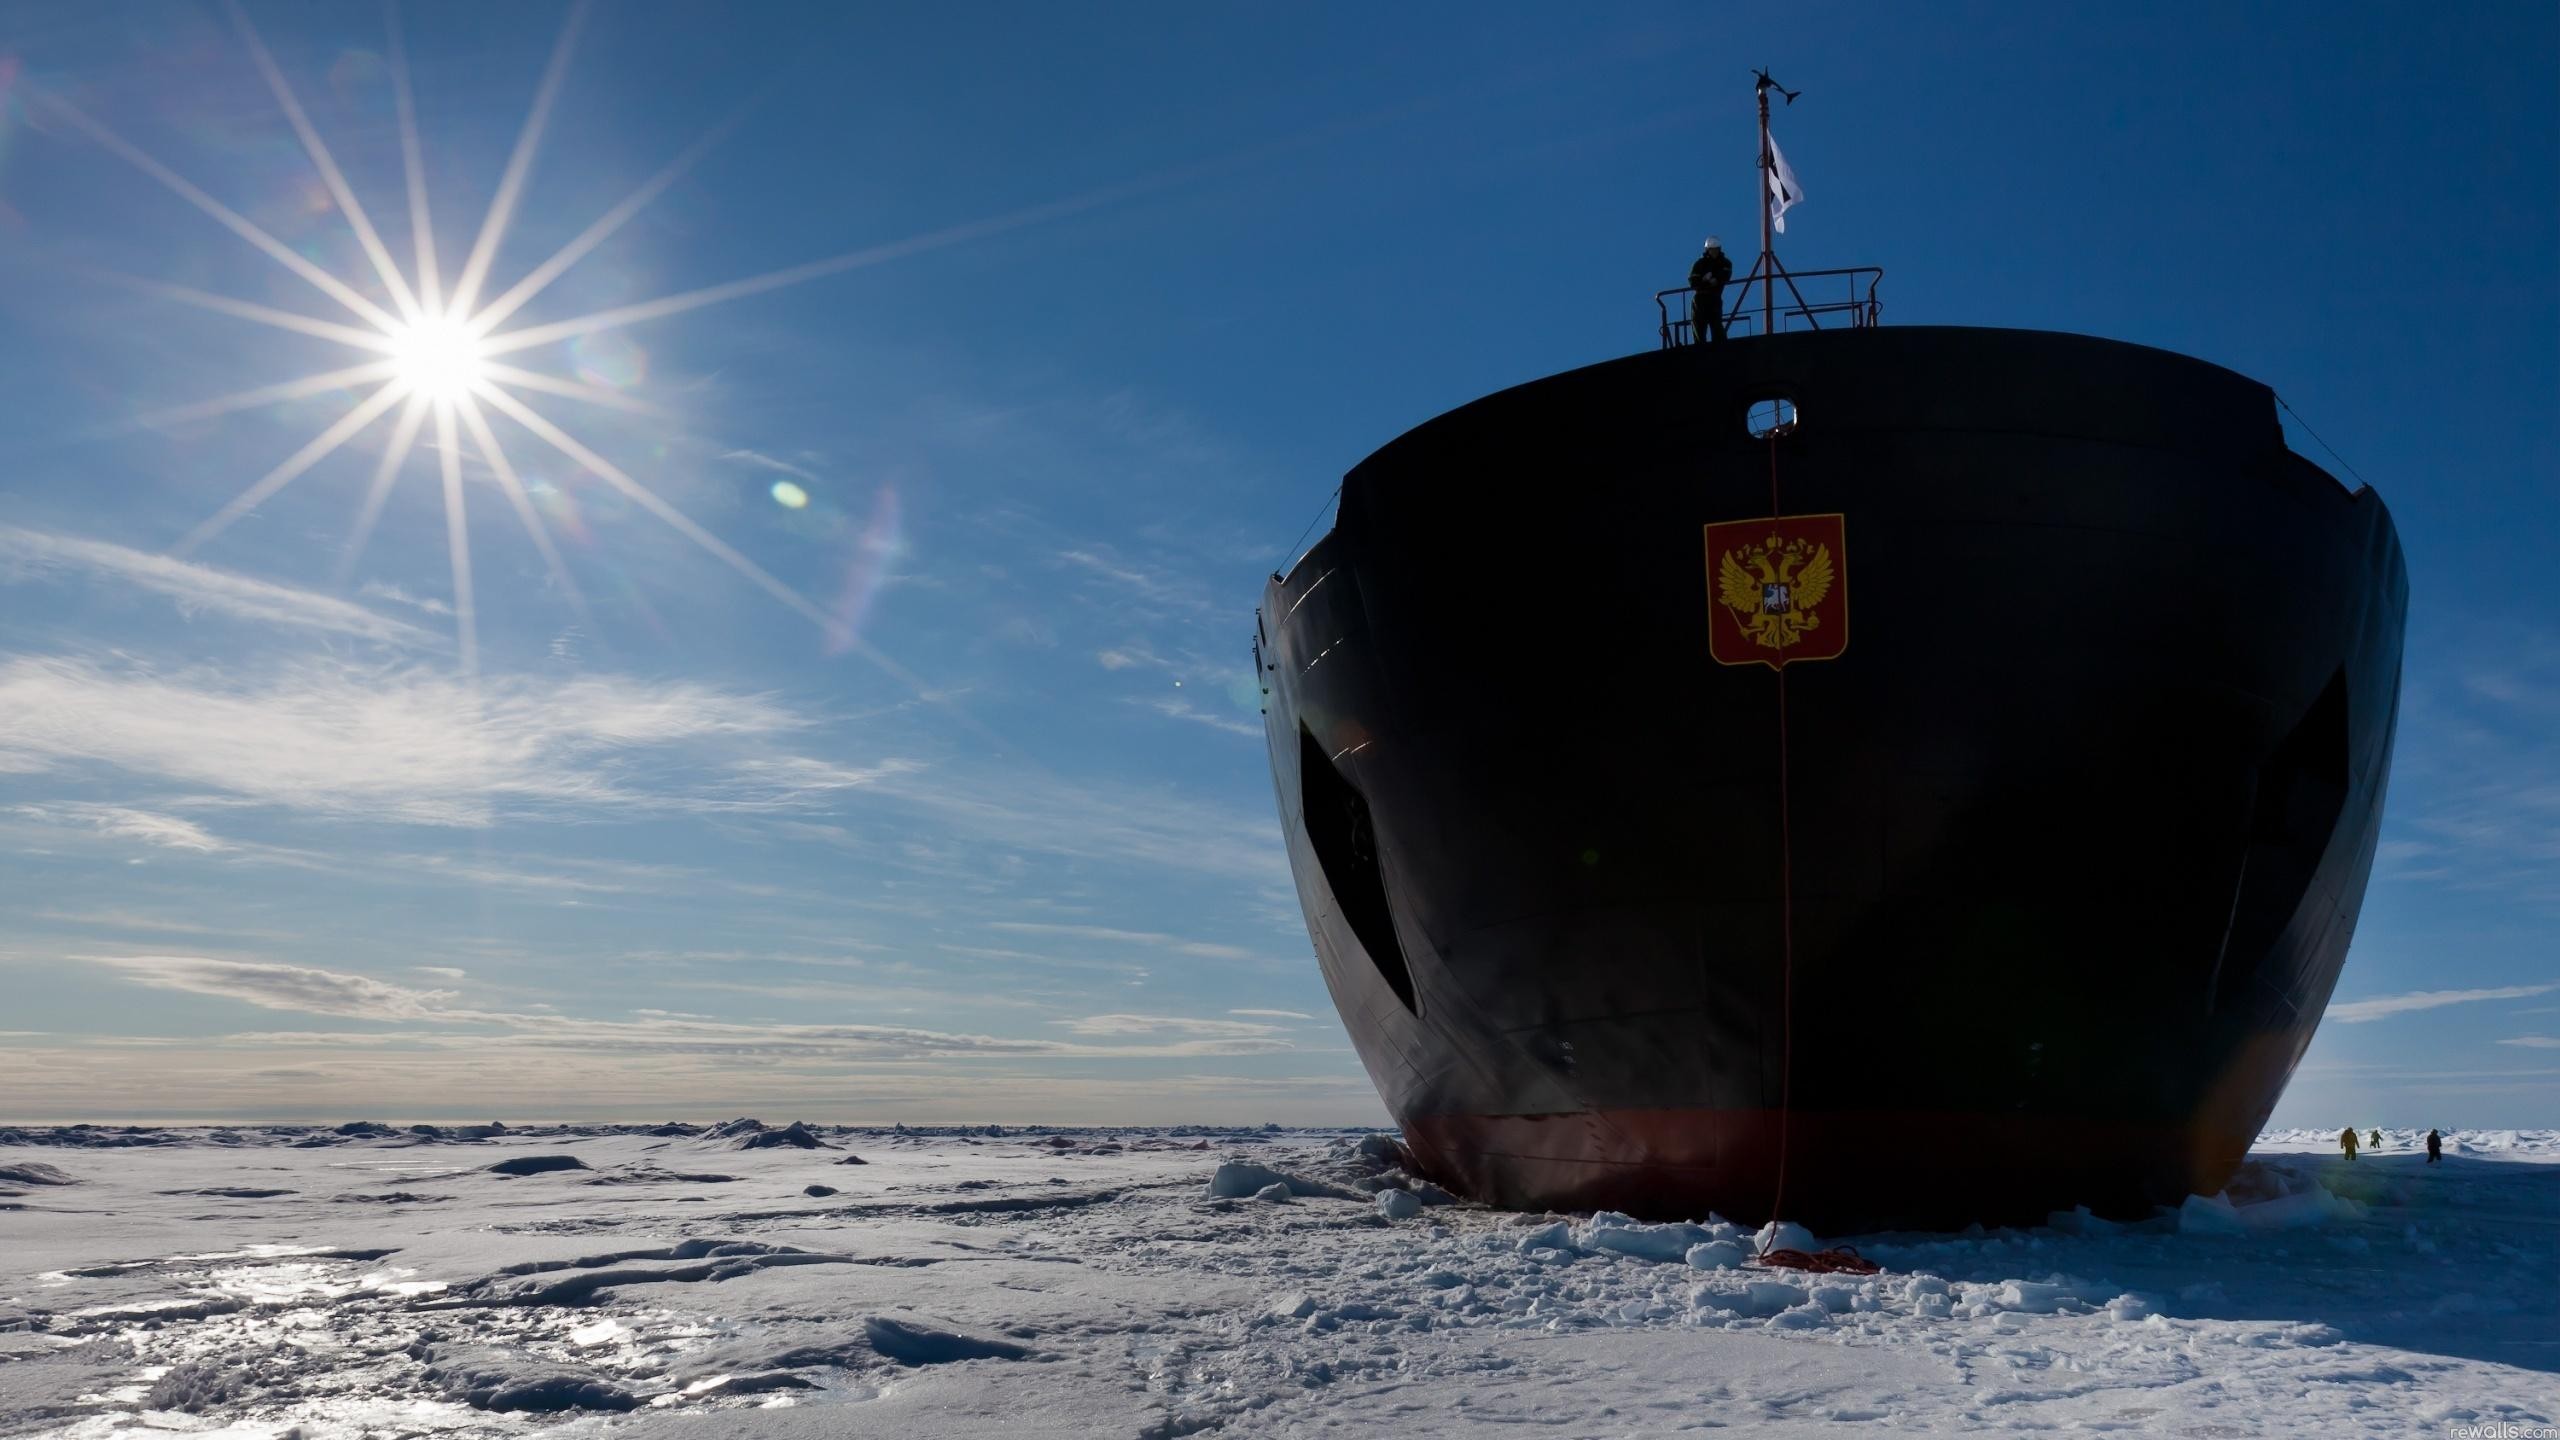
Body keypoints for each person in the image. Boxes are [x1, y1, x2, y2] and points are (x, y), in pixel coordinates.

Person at [1689, 237, 1732, 344]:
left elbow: (1725, 275)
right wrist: (1704, 280)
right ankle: (1700, 348)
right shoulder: (1699, 264)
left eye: (1716, 249)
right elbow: (1692, 281)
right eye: (1712, 249)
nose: (1714, 252)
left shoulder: (1725, 263)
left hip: (1714, 297)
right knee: (1699, 326)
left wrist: (1715, 279)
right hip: (1700, 298)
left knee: (1716, 325)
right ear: (1707, 250)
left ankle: (1719, 347)